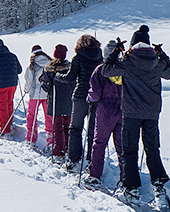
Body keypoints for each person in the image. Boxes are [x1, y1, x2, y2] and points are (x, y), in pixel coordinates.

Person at [101, 25, 170, 208]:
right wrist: (162, 54)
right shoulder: (156, 62)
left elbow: (106, 70)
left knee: (129, 151)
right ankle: (159, 190)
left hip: (131, 112)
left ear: (132, 44)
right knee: (152, 149)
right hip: (151, 113)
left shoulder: (127, 61)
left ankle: (131, 190)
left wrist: (115, 52)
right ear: (150, 45)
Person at [56, 35, 103, 172]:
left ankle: (74, 160)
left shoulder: (78, 57)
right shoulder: (100, 58)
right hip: (96, 97)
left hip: (80, 96)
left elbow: (70, 78)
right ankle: (91, 160)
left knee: (75, 128)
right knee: (92, 130)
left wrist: (57, 76)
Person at [84, 40, 124, 186]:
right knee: (122, 147)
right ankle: (126, 179)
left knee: (99, 143)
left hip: (105, 110)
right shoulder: (125, 69)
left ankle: (95, 176)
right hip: (123, 110)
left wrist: (90, 98)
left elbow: (94, 93)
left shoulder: (101, 70)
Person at [41, 44, 74, 163]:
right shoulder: (70, 67)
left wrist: (43, 83)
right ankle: (68, 148)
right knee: (68, 126)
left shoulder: (49, 68)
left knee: (58, 127)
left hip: (56, 101)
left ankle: (59, 151)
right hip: (69, 101)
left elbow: (46, 86)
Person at [23, 45, 52, 148]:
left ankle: (31, 139)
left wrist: (26, 90)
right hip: (48, 93)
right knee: (49, 117)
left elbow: (28, 81)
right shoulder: (50, 62)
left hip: (35, 95)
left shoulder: (32, 65)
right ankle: (51, 141)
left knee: (31, 116)